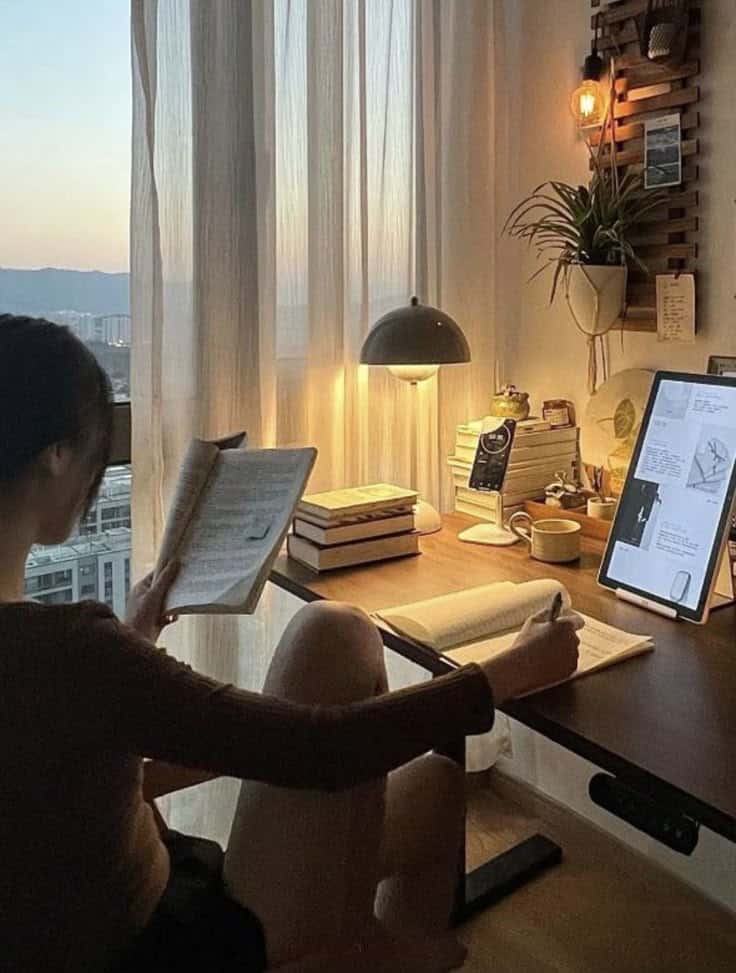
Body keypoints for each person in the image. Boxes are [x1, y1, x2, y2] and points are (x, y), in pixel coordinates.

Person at [0, 314, 581, 973]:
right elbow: (323, 751)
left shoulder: (65, 655)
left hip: (119, 906)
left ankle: (379, 942)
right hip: (170, 942)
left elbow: (64, 769)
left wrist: (139, 648)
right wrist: (509, 671)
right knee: (338, 631)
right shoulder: (71, 653)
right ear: (54, 453)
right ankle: (370, 951)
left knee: (438, 785)